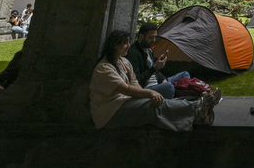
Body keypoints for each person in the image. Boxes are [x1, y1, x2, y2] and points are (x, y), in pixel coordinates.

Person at [89, 30, 220, 130]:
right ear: (114, 46)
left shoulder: (124, 61)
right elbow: (127, 89)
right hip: (110, 111)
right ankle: (196, 108)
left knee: (162, 94)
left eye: (129, 42)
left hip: (127, 100)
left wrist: (148, 93)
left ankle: (197, 106)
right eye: (125, 43)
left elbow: (134, 83)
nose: (128, 46)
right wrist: (150, 93)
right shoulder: (105, 68)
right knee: (153, 104)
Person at [126, 22, 190, 99]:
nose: (153, 40)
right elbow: (138, 81)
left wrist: (163, 79)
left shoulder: (149, 49)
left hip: (158, 83)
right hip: (147, 89)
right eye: (151, 38)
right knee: (169, 87)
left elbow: (156, 72)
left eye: (155, 37)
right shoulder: (133, 53)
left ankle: (176, 93)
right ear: (141, 36)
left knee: (185, 74)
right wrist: (155, 67)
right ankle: (177, 94)